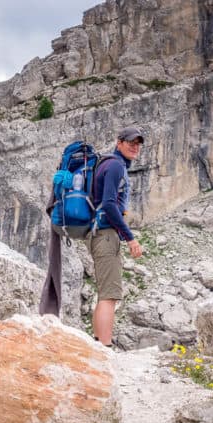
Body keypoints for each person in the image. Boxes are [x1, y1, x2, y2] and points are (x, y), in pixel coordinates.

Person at [87, 126, 145, 348]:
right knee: (109, 295)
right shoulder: (115, 166)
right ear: (118, 142)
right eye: (130, 141)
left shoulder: (108, 163)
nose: (135, 146)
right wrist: (130, 238)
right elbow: (110, 204)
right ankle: (105, 347)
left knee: (105, 293)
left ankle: (98, 344)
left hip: (98, 233)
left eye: (138, 143)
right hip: (105, 234)